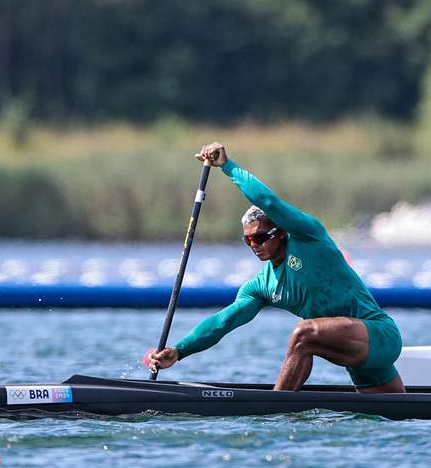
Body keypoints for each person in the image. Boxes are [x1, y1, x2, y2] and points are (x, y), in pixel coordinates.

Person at [148, 142, 406, 393]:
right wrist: (180, 351)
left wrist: (227, 166)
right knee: (401, 414)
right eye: (247, 240)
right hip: (353, 350)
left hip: (378, 335)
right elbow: (224, 321)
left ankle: (275, 407)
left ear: (281, 232)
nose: (254, 245)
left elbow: (268, 201)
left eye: (260, 237)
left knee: (302, 334)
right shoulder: (262, 285)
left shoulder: (308, 237)